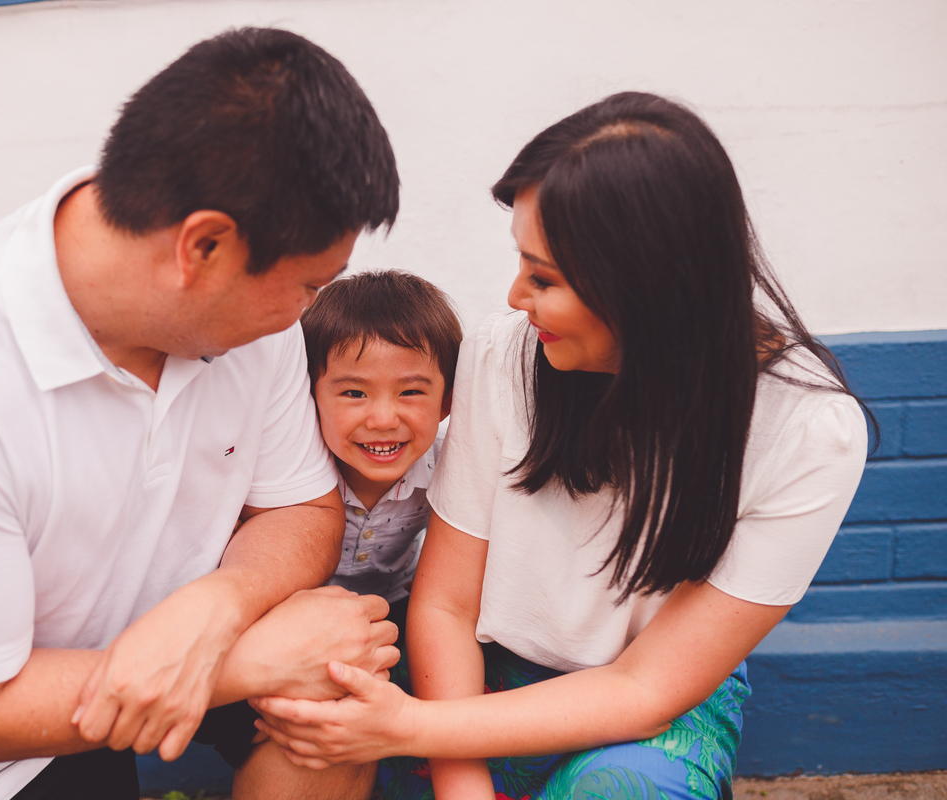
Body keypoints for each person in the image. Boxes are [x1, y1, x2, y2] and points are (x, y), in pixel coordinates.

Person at [251, 92, 870, 800]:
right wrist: (461, 785)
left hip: (648, 710)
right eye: (521, 263)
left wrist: (410, 730)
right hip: (479, 673)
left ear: (644, 286)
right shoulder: (504, 357)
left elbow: (646, 686)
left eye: (543, 277)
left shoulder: (808, 430)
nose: (516, 296)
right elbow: (447, 606)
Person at [0, 27, 403, 800]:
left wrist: (215, 606)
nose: (305, 312)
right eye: (307, 286)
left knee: (335, 704)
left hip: (186, 629)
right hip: (5, 725)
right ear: (202, 246)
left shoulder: (249, 327)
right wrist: (244, 664)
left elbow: (301, 507)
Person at [196, 270, 462, 781]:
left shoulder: (450, 470)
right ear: (307, 396)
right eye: (354, 394)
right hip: (278, 626)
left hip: (392, 616)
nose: (383, 418)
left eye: (411, 392)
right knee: (275, 722)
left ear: (447, 401)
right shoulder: (287, 474)